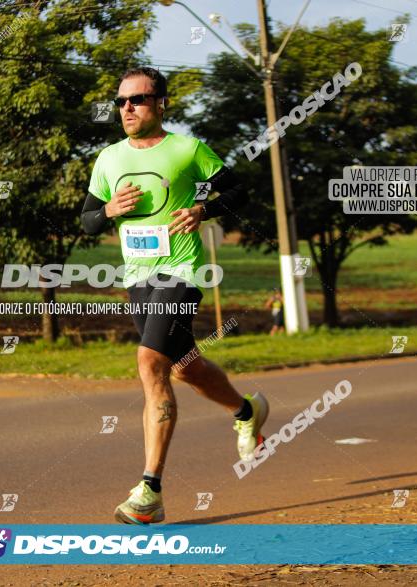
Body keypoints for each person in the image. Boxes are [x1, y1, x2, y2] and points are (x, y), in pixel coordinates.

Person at [81, 67, 269, 525]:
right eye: (121, 101)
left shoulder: (187, 149)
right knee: (184, 367)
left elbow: (241, 189)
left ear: (161, 103)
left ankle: (151, 490)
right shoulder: (107, 158)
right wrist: (108, 209)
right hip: (138, 277)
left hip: (180, 271)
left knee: (149, 362)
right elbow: (87, 220)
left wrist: (203, 209)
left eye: (138, 100)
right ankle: (247, 411)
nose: (127, 108)